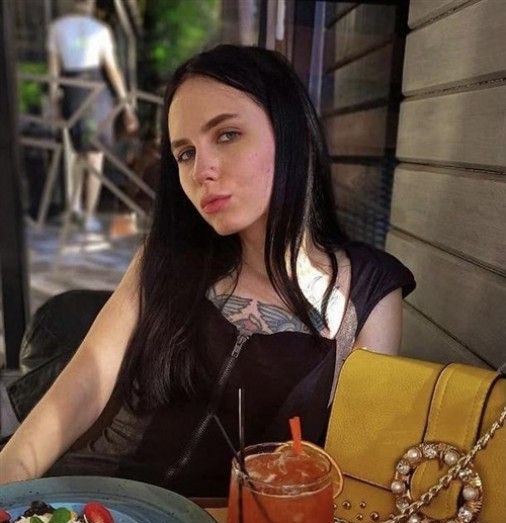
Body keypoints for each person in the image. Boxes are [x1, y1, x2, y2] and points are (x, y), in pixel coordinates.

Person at [0, 44, 415, 495]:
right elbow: (84, 386)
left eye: (227, 134)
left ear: (290, 132)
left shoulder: (370, 291)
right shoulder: (165, 257)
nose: (202, 170)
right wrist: (10, 478)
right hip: (104, 502)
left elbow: (357, 476)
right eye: (185, 153)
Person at [47, 0, 139, 232]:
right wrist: (127, 106)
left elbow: (54, 72)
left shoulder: (58, 28)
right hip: (94, 92)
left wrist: (55, 102)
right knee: (94, 154)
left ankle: (77, 207)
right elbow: (112, 69)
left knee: (80, 152)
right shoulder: (100, 30)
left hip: (74, 90)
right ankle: (86, 214)